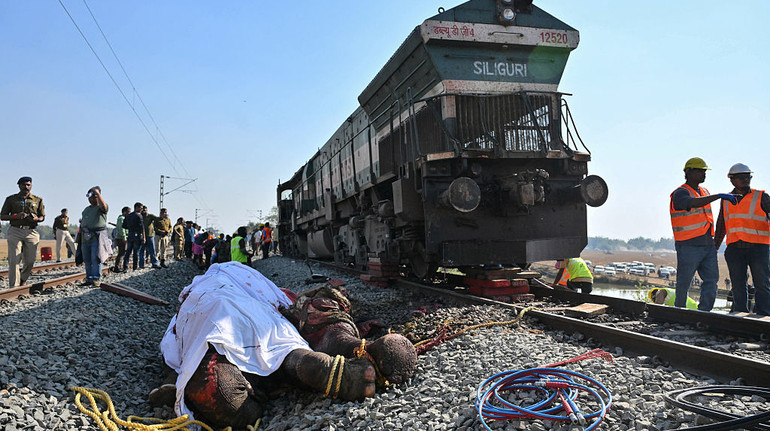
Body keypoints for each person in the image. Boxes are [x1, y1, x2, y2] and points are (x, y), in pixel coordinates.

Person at [154, 262, 416, 429]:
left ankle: (274, 374)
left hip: (212, 303)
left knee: (223, 382)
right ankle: (331, 349)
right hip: (252, 298)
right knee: (279, 329)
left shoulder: (199, 287)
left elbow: (176, 340)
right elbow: (286, 303)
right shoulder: (251, 279)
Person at [669, 157, 737, 311]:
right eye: (700, 171)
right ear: (689, 172)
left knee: (711, 281)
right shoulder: (680, 193)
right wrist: (718, 196)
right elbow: (691, 203)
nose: (704, 174)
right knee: (684, 282)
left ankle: (704, 312)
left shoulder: (704, 191)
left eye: (705, 171)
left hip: (707, 245)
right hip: (688, 245)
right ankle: (679, 312)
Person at [714, 163, 770, 316]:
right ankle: (739, 314)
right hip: (735, 249)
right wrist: (715, 248)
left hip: (759, 248)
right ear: (732, 179)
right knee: (738, 284)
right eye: (742, 177)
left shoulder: (761, 197)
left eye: (748, 177)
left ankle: (764, 314)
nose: (746, 180)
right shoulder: (726, 200)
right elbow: (721, 225)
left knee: (762, 283)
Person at [1, 176, 45, 287]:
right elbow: (2, 216)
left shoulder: (37, 200)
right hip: (15, 231)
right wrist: (16, 216)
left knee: (30, 260)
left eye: (28, 185)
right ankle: (14, 287)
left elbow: (42, 217)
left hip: (31, 232)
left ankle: (23, 279)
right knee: (14, 259)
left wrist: (36, 219)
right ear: (19, 185)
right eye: (24, 185)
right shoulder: (11, 199)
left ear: (31, 186)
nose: (26, 187)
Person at [79, 186, 110, 287]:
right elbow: (82, 222)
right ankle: (89, 278)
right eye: (89, 197)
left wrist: (98, 193)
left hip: (97, 237)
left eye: (93, 196)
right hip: (85, 237)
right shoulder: (86, 210)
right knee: (87, 259)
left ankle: (96, 278)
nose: (91, 199)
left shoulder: (101, 208)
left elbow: (104, 207)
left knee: (95, 258)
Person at [122, 202, 145, 271]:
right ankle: (134, 267)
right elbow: (142, 227)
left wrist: (130, 227)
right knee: (136, 252)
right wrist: (144, 237)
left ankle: (125, 267)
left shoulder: (128, 216)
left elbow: (124, 226)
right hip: (137, 235)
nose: (141, 210)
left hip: (130, 234)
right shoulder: (139, 216)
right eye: (140, 208)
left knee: (128, 252)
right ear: (136, 207)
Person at [109, 206, 130, 272]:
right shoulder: (121, 218)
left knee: (122, 253)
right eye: (128, 212)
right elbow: (121, 229)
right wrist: (124, 237)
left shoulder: (123, 218)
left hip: (122, 237)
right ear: (124, 212)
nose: (129, 213)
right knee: (121, 253)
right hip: (121, 238)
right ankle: (117, 267)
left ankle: (118, 266)